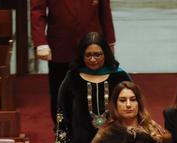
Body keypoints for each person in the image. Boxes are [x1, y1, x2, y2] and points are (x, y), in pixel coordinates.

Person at [30, 0, 115, 130]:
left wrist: (110, 41)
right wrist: (40, 41)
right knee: (61, 92)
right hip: (60, 44)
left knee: (96, 89)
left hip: (93, 44)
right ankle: (62, 130)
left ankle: (97, 129)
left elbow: (105, 10)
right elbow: (37, 11)